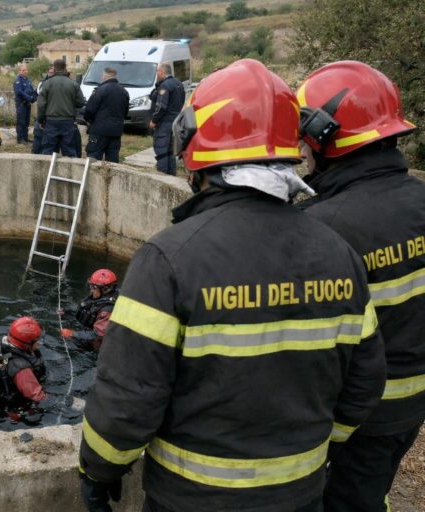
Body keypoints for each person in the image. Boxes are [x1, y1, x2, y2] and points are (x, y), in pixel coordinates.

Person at [78, 59, 386, 512]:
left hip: (189, 497)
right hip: (300, 494)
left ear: (195, 150)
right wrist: (311, 448)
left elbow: (128, 398)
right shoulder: (339, 252)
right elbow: (365, 381)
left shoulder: (168, 259)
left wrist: (98, 470)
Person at [295, 60, 424, 512]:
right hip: (410, 408)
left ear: (323, 135)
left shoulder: (321, 229)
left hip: (351, 418)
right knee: (370, 488)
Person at [59, 269, 119, 351]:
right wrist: (66, 311)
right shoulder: (99, 297)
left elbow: (98, 335)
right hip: (88, 329)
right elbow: (85, 309)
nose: (91, 290)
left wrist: (72, 334)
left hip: (98, 347)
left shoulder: (107, 310)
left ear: (105, 289)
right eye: (91, 286)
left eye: (93, 287)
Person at [37, 59, 86, 157]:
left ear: (54, 68)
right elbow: (81, 103)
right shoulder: (73, 84)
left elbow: (41, 104)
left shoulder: (47, 83)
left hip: (51, 121)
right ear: (65, 68)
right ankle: (71, 171)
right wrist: (70, 101)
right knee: (69, 150)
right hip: (68, 122)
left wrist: (41, 120)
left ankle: (47, 171)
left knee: (48, 150)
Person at [83, 68, 129, 163]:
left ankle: (92, 177)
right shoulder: (124, 92)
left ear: (104, 76)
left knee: (93, 158)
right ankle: (111, 178)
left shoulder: (100, 90)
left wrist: (88, 120)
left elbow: (89, 110)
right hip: (116, 130)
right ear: (116, 76)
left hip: (99, 130)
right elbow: (125, 112)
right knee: (113, 159)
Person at [149, 61, 184, 175]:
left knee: (161, 150)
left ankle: (162, 175)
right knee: (170, 150)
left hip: (164, 122)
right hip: (175, 122)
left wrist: (154, 120)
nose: (156, 74)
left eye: (157, 71)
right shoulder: (179, 83)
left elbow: (161, 107)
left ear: (161, 72)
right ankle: (171, 174)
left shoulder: (165, 85)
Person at [32, 64, 56, 155]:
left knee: (48, 137)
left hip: (51, 113)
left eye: (53, 72)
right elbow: (35, 94)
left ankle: (46, 154)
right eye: (50, 72)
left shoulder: (56, 84)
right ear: (47, 72)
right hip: (42, 113)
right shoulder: (42, 83)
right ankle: (35, 153)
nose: (51, 74)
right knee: (38, 134)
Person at [13, 63, 37, 144]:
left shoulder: (28, 80)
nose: (25, 71)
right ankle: (20, 139)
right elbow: (19, 92)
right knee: (21, 122)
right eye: (23, 70)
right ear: (19, 71)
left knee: (26, 122)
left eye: (26, 70)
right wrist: (29, 98)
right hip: (21, 105)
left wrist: (33, 98)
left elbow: (31, 90)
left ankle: (26, 138)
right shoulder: (18, 80)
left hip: (28, 104)